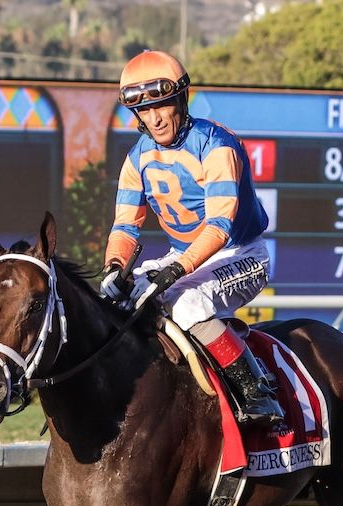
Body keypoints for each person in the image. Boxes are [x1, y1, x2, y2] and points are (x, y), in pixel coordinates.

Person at [100, 50, 285, 427]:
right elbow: (124, 227)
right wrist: (116, 268)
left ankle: (259, 394)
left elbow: (218, 228)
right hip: (185, 255)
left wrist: (177, 270)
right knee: (112, 300)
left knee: (186, 305)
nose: (154, 118)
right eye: (145, 111)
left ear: (181, 99)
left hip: (241, 252)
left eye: (162, 105)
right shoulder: (136, 159)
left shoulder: (216, 145)